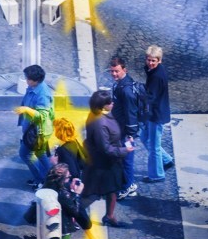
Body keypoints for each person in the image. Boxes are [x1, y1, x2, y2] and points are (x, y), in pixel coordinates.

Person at [38, 164, 102, 239]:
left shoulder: (48, 187)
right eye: (68, 178)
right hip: (62, 229)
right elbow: (75, 211)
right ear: (62, 180)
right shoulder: (62, 194)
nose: (69, 179)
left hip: (49, 227)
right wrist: (76, 193)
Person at [83, 90, 133, 228]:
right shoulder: (100, 123)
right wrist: (124, 150)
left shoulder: (101, 115)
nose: (112, 103)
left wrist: (125, 137)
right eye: (109, 102)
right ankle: (72, 215)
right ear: (102, 106)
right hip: (102, 164)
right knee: (93, 193)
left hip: (110, 162)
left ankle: (109, 216)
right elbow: (105, 149)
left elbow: (114, 132)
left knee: (112, 190)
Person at [15, 64, 54, 188]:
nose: (26, 80)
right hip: (32, 129)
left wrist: (26, 110)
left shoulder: (42, 94)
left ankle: (46, 180)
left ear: (35, 80)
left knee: (27, 154)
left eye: (28, 78)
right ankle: (44, 179)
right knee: (41, 156)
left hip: (38, 131)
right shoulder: (34, 87)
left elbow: (42, 115)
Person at [140, 45, 174, 183]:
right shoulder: (156, 71)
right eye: (149, 60)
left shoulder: (156, 76)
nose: (150, 63)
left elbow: (150, 98)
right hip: (156, 114)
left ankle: (157, 175)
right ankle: (166, 160)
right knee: (146, 139)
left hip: (155, 116)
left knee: (153, 146)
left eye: (153, 60)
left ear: (159, 60)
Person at [109, 56, 141, 199]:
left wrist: (130, 134)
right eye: (112, 71)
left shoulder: (126, 90)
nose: (114, 74)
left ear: (124, 70)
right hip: (122, 129)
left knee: (126, 160)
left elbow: (131, 113)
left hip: (126, 132)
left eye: (116, 71)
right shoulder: (122, 84)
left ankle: (127, 187)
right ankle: (129, 183)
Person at [51, 117, 86, 181]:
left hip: (70, 182)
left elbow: (73, 172)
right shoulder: (74, 141)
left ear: (59, 132)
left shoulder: (63, 151)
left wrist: (55, 163)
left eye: (55, 129)